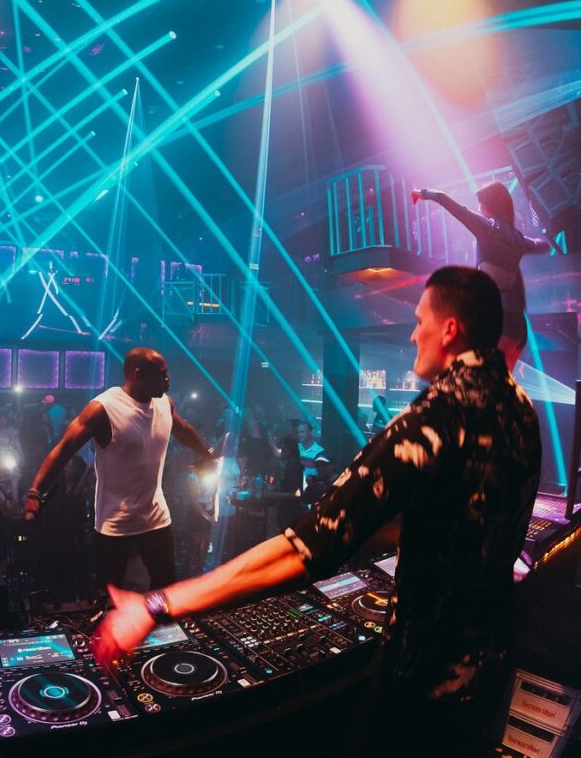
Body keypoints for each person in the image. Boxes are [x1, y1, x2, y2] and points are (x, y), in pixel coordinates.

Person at [94, 268, 543, 756]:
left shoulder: (434, 419)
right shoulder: (520, 409)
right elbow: (456, 520)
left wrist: (157, 604)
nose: (414, 334)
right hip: (489, 669)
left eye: (420, 321)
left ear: (450, 329)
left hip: (421, 685)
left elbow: (306, 548)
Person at [25, 348, 215, 592]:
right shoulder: (103, 409)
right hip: (115, 523)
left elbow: (184, 430)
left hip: (155, 518)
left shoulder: (164, 404)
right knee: (110, 596)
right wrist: (35, 492)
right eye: (161, 374)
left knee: (167, 589)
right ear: (138, 375)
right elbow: (64, 450)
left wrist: (206, 453)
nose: (168, 380)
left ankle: (160, 618)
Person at [412, 182, 549, 371]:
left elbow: (449, 203)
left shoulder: (487, 228)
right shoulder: (518, 239)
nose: (478, 209)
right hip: (517, 324)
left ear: (489, 206)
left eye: (480, 205)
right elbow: (543, 245)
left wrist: (422, 193)